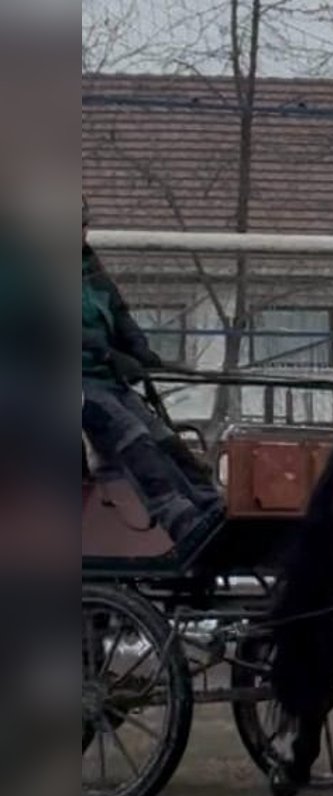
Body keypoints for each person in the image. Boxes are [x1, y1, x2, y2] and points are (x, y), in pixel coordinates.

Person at [81, 196, 222, 543]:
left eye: (83, 224)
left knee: (164, 439)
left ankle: (212, 508)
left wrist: (138, 348)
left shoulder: (87, 264)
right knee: (131, 435)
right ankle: (180, 519)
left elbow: (118, 310)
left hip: (104, 378)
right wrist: (106, 352)